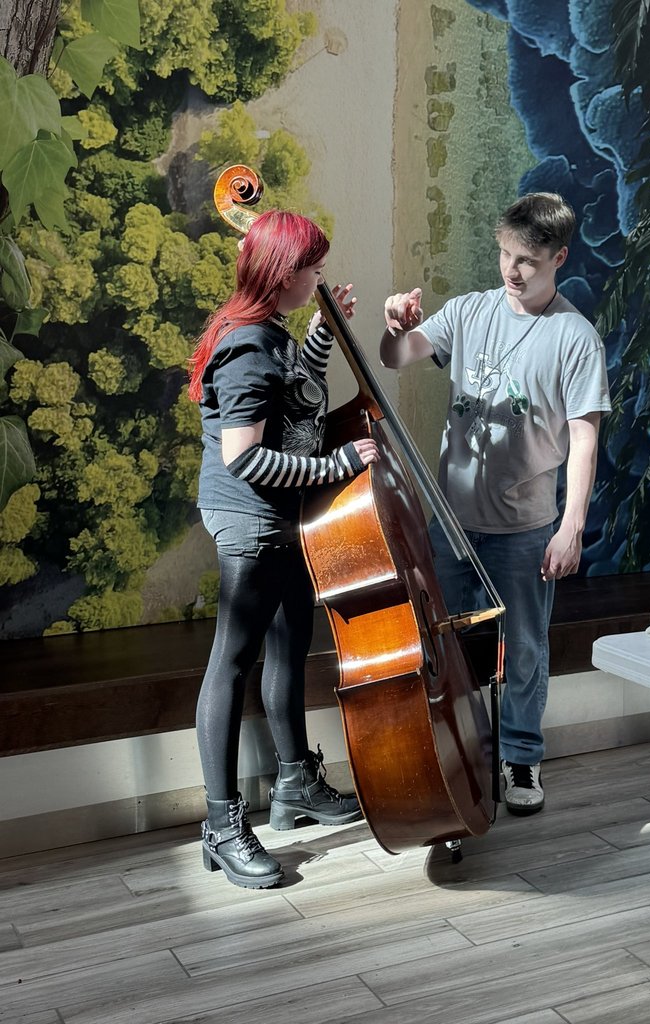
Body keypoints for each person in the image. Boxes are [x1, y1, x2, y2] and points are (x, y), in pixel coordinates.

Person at [380, 193, 610, 816]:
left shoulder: (574, 338)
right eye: (506, 254)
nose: (512, 269)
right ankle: (455, 751)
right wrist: (396, 327)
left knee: (526, 649)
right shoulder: (468, 311)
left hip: (526, 529)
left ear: (559, 257)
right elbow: (396, 358)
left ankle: (522, 758)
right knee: (442, 647)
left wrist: (572, 527)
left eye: (528, 260)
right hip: (451, 525)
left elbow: (585, 441)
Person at [187, 209, 379, 889]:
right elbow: (244, 458)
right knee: (232, 663)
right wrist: (337, 467)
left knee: (290, 644)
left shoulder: (271, 333)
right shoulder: (245, 347)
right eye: (313, 269)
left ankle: (295, 784)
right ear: (281, 273)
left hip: (283, 517)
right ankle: (221, 827)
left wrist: (322, 333)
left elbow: (298, 399)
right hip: (251, 519)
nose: (320, 278)